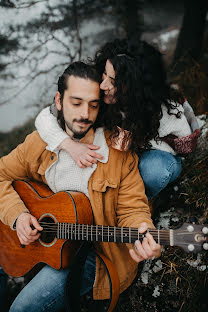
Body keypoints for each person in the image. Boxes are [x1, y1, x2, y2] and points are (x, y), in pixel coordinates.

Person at [0, 61, 161, 312]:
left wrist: (143, 230)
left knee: (22, 308)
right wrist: (18, 216)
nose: (85, 113)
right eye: (75, 103)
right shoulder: (39, 144)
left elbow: (133, 209)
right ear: (58, 100)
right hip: (40, 244)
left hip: (93, 255)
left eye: (93, 105)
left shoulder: (118, 152)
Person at [35, 39, 199, 200]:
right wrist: (69, 146)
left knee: (154, 171)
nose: (103, 85)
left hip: (155, 159)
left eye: (113, 81)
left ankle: (145, 202)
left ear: (135, 86)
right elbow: (45, 117)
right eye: (105, 73)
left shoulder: (164, 109)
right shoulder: (98, 89)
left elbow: (185, 146)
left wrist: (137, 141)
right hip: (114, 156)